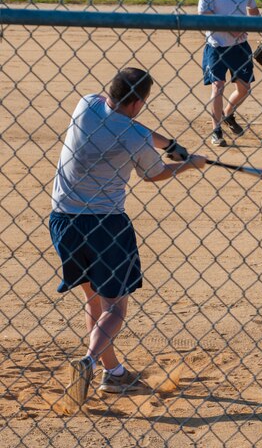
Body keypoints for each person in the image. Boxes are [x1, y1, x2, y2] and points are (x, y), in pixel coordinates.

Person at [49, 67, 207, 409]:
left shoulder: (86, 105)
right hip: (106, 226)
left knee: (94, 301)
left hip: (63, 220)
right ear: (138, 103)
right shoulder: (134, 138)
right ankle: (89, 362)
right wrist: (190, 163)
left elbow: (132, 127)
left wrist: (170, 144)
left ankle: (114, 373)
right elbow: (156, 174)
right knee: (116, 307)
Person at [198, 0, 262, 147]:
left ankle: (227, 114)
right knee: (217, 86)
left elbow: (253, 11)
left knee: (244, 88)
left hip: (239, 47)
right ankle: (216, 130)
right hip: (216, 46)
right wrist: (231, 28)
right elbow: (204, 16)